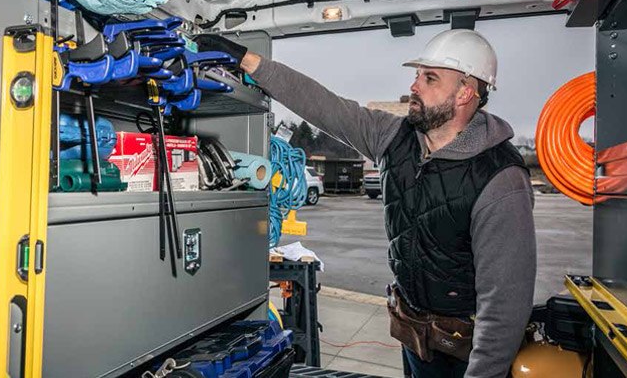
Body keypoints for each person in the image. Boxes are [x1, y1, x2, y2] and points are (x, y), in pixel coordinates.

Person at [196, 29, 537, 378]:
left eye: (429, 78)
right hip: (415, 338)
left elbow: (505, 308)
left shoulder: (499, 178)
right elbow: (324, 106)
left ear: (466, 92)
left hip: (466, 354)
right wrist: (249, 61)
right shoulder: (395, 137)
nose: (414, 86)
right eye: (417, 75)